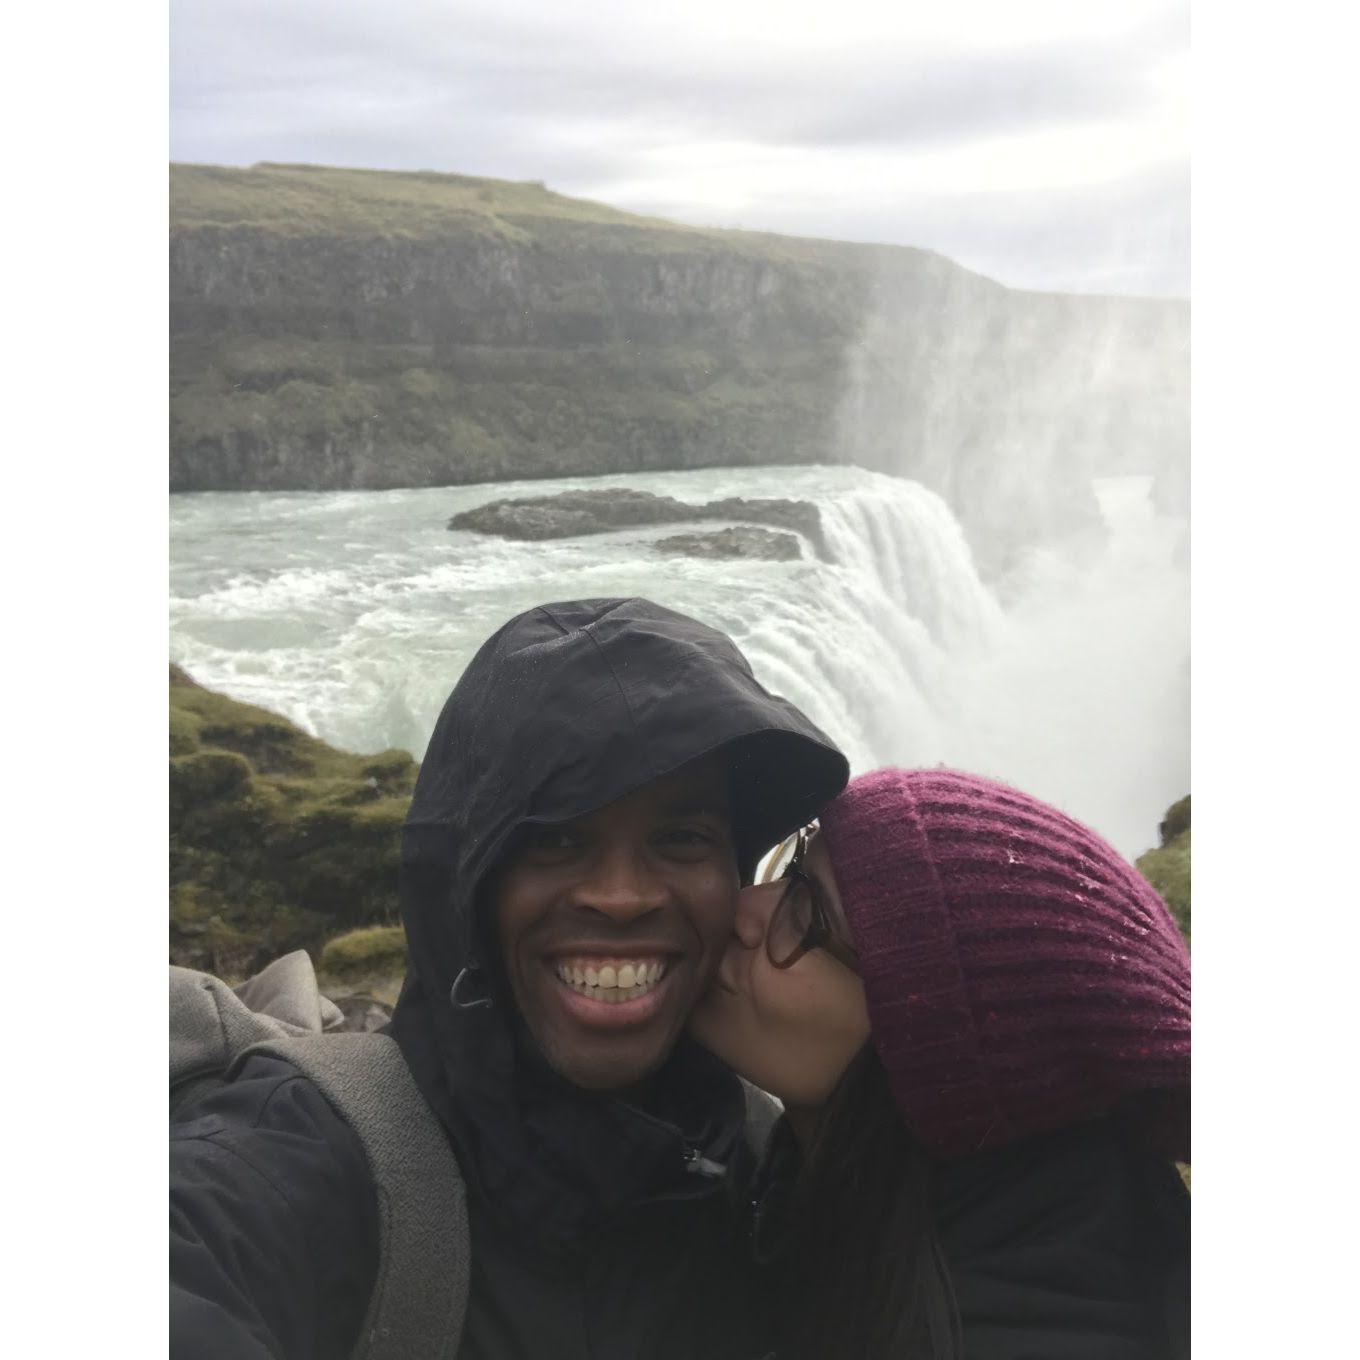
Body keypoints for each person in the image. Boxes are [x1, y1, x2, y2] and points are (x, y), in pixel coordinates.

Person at [170, 597, 848, 1359]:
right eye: (553, 839)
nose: (621, 896)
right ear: (465, 886)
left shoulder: (774, 1172)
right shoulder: (306, 1156)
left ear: (736, 875)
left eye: (682, 837)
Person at [690, 766, 1191, 1360]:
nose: (740, 907)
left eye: (804, 914)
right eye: (790, 869)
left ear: (929, 1043)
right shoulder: (816, 1181)